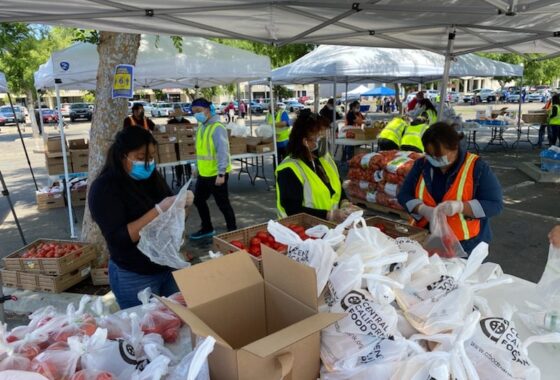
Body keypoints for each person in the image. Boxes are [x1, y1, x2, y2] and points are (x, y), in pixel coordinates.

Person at [88, 127, 194, 309]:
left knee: (180, 321)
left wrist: (182, 207)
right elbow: (119, 238)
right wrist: (159, 210)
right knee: (145, 329)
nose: (147, 163)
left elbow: (174, 223)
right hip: (134, 274)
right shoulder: (104, 188)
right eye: (140, 157)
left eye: (152, 156)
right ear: (123, 155)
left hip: (167, 266)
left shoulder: (153, 178)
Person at [398, 122, 503, 255]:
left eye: (439, 155)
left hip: (466, 245)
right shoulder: (422, 165)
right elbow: (404, 195)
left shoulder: (477, 167)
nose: (434, 160)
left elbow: (495, 205)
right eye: (430, 155)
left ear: (455, 148)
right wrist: (423, 209)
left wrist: (460, 207)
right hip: (425, 236)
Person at [276, 109, 360, 221]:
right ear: (305, 141)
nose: (325, 142)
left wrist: (344, 202)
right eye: (320, 138)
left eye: (326, 137)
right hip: (301, 230)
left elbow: (337, 186)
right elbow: (292, 209)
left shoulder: (325, 159)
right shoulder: (288, 169)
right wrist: (329, 215)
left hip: (329, 228)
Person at [190, 98, 237, 239]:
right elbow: (200, 151)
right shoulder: (201, 127)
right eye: (194, 112)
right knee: (198, 200)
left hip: (217, 174)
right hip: (204, 174)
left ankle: (233, 231)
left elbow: (223, 151)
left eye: (199, 111)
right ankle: (207, 228)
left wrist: (221, 173)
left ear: (208, 109)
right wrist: (196, 166)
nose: (196, 114)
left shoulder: (217, 127)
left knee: (223, 204)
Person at [168, 105, 193, 187]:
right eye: (177, 113)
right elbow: (169, 135)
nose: (178, 115)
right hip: (176, 146)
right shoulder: (170, 122)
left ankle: (189, 177)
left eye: (179, 113)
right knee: (178, 163)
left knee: (187, 163)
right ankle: (179, 178)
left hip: (185, 145)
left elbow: (190, 134)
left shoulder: (187, 121)